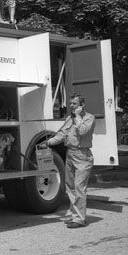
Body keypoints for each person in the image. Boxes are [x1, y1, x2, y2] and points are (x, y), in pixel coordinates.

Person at [38, 93, 95, 228]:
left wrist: (78, 116)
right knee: (70, 188)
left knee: (79, 187)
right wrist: (49, 143)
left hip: (82, 156)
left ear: (82, 105)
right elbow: (62, 134)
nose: (71, 106)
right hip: (70, 154)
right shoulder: (70, 118)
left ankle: (80, 219)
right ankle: (73, 215)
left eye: (74, 104)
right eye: (70, 103)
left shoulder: (89, 118)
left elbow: (82, 131)